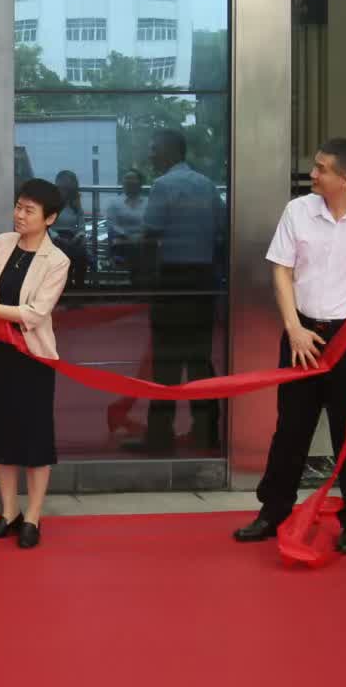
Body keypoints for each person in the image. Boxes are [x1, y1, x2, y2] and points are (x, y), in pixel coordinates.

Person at [233, 138, 346, 555]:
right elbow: (281, 270)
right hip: (302, 333)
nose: (313, 174)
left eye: (321, 169)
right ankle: (273, 512)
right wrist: (293, 328)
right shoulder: (298, 211)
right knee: (291, 428)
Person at [0, 178, 72, 550]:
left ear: (50, 218)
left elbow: (35, 313)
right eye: (18, 207)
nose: (20, 215)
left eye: (29, 210)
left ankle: (33, 517)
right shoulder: (2, 243)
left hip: (32, 358)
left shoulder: (57, 261)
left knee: (34, 439)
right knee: (1, 435)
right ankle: (9, 512)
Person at [129, 130, 225, 454]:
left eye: (154, 149)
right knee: (200, 359)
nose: (150, 155)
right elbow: (221, 231)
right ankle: (206, 433)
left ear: (170, 151)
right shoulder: (207, 185)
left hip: (172, 279)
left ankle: (159, 437)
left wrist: (143, 279)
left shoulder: (163, 186)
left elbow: (150, 235)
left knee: (166, 361)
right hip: (203, 280)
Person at [50, 169, 91, 288]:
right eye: (62, 183)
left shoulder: (75, 204)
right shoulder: (50, 203)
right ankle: (65, 284)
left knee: (81, 253)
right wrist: (57, 238)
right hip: (54, 237)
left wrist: (79, 236)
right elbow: (45, 225)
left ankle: (79, 286)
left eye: (68, 184)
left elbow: (81, 225)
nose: (65, 187)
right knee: (65, 251)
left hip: (72, 237)